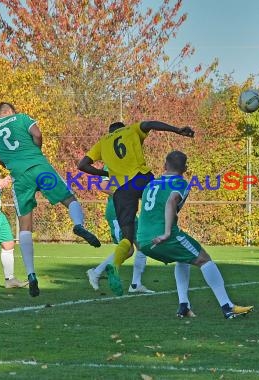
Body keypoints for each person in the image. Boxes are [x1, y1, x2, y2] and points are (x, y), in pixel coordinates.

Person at [0, 101, 100, 297]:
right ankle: (78, 224)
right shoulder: (21, 118)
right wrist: (36, 150)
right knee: (69, 198)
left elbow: (0, 159)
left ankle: (30, 274)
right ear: (11, 112)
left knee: (25, 226)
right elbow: (37, 134)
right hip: (39, 167)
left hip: (19, 177)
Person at [78, 120, 194, 296]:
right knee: (162, 199)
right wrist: (177, 129)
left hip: (121, 191)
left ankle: (115, 266)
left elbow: (82, 165)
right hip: (140, 178)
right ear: (122, 129)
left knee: (128, 238)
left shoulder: (102, 143)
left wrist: (105, 173)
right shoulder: (131, 131)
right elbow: (151, 124)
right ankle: (167, 233)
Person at [137, 150, 254, 319]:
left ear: (164, 166)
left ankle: (184, 306)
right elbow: (171, 202)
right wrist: (167, 233)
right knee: (204, 259)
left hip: (143, 239)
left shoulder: (150, 184)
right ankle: (227, 307)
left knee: (183, 258)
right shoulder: (180, 183)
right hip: (163, 236)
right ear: (185, 168)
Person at [86, 166, 154, 295]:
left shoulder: (130, 164)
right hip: (117, 211)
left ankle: (135, 284)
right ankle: (96, 272)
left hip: (129, 211)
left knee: (142, 246)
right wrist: (126, 194)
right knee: (128, 250)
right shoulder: (111, 164)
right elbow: (103, 186)